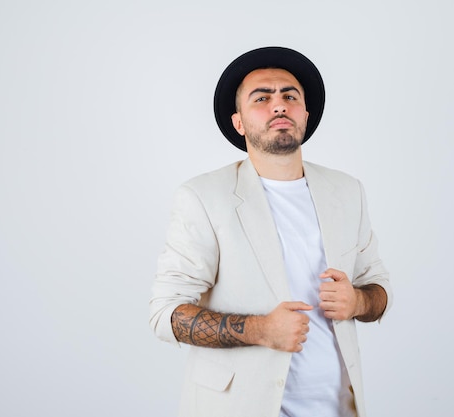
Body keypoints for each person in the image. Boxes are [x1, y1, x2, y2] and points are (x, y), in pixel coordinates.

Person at [150, 46, 392, 417]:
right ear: (240, 123)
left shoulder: (347, 191)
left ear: (305, 115)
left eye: (289, 96)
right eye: (262, 98)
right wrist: (261, 330)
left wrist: (358, 302)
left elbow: (378, 287)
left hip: (338, 407)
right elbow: (166, 314)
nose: (279, 105)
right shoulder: (203, 197)